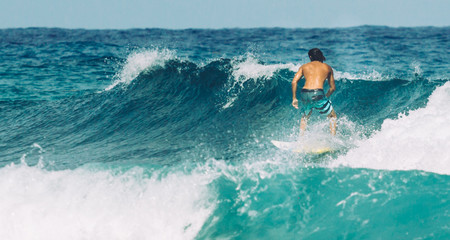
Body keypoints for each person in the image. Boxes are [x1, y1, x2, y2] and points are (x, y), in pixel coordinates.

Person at [291, 48, 337, 135]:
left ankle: (301, 139)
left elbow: (294, 81)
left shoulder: (304, 66)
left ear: (310, 57)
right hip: (318, 93)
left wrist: (294, 98)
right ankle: (333, 138)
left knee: (305, 115)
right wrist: (325, 97)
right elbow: (332, 88)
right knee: (332, 116)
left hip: (304, 93)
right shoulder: (327, 67)